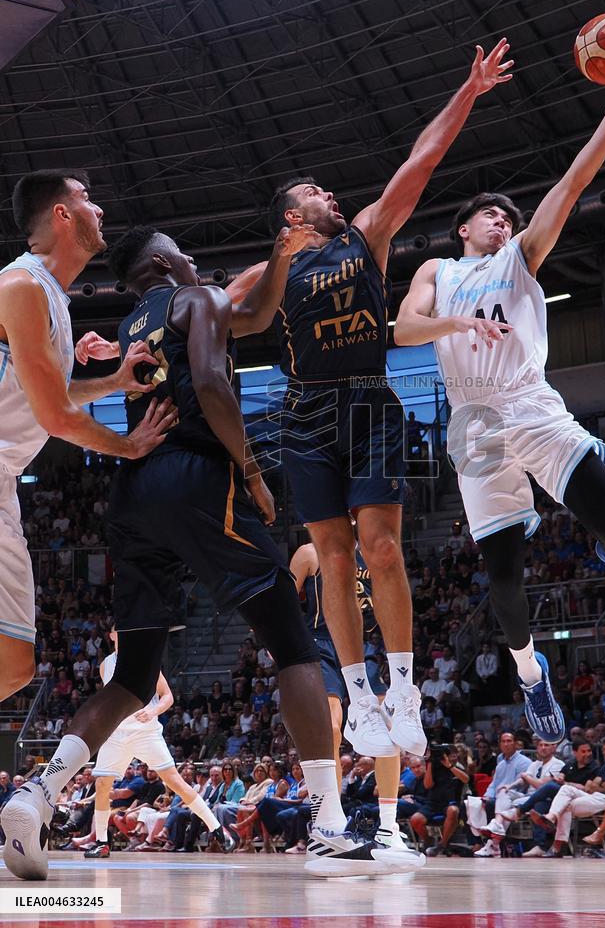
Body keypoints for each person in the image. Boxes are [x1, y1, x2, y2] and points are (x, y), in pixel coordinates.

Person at [1, 224, 407, 881]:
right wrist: (250, 471)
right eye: (185, 253)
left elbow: (249, 311)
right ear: (165, 262)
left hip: (131, 492)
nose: (195, 260)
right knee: (295, 645)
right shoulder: (196, 298)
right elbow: (215, 384)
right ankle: (329, 827)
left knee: (133, 676)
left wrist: (278, 252)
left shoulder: (131, 327)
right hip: (197, 475)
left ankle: (39, 792)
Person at [394, 43, 605, 744]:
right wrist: (453, 320)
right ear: (464, 228)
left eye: (506, 215)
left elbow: (576, 181)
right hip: (473, 423)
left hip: (528, 403)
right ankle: (529, 673)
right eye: (490, 215)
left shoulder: (520, 257)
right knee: (503, 578)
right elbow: (404, 329)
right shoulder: (439, 269)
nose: (501, 220)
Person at [260, 38, 514, 761]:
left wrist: (468, 92)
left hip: (369, 403)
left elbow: (421, 162)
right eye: (315, 193)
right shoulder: (271, 274)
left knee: (383, 552)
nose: (330, 196)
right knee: (333, 560)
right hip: (305, 415)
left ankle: (404, 690)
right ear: (291, 218)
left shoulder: (365, 235)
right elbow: (211, 312)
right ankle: (361, 697)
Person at [0, 169, 174, 707]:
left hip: (3, 481)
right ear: (61, 213)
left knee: (14, 665)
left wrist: (116, 381)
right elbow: (54, 415)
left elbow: (42, 394)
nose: (99, 210)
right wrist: (128, 445)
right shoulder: (20, 285)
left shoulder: (51, 297)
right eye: (87, 199)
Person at [290, 537, 422, 866]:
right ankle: (329, 824)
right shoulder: (310, 552)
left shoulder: (373, 554)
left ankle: (388, 828)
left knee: (391, 724)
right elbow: (283, 603)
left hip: (360, 643)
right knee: (330, 728)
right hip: (319, 643)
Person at [80, 631, 224, 859]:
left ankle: (216, 828)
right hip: (116, 732)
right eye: (121, 631)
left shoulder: (145, 660)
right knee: (102, 785)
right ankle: (101, 843)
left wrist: (152, 710)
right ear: (113, 635)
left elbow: (167, 696)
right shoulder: (105, 665)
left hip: (145, 732)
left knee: (174, 781)